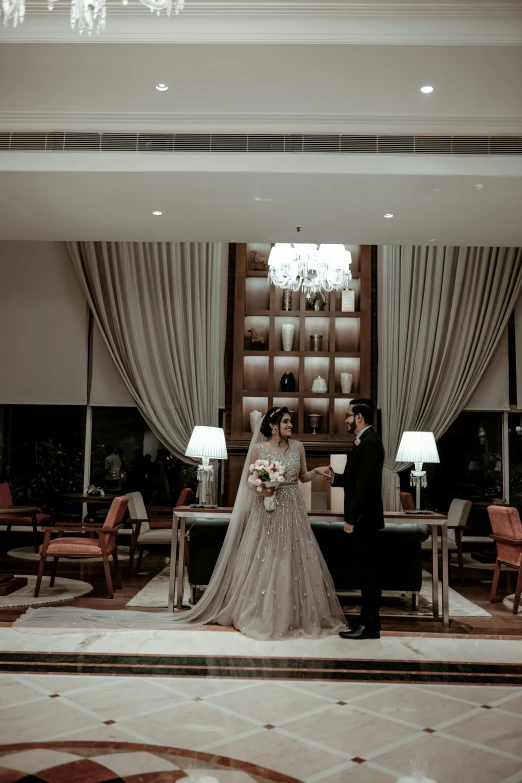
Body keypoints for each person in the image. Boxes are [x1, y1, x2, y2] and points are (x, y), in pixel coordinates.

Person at [172, 407, 347, 640]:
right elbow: (250, 481)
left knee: (293, 555)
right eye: (286, 421)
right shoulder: (259, 449)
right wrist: (263, 490)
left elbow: (302, 476)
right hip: (266, 509)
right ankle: (261, 613)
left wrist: (316, 471)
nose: (290, 425)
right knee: (267, 554)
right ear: (273, 425)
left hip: (293, 506)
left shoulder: (298, 446)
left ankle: (294, 616)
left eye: (290, 422)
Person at [316, 398, 384, 640]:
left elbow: (365, 488)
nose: (345, 419)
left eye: (348, 415)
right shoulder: (364, 442)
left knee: (368, 574)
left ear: (359, 417)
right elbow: (357, 479)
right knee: (365, 573)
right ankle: (366, 622)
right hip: (364, 519)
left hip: (365, 520)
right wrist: (336, 478)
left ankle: (370, 626)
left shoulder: (370, 443)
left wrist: (351, 519)